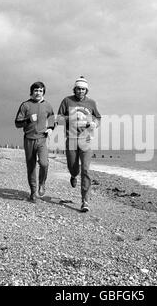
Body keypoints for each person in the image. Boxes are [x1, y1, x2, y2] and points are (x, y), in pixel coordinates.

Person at [58, 76, 101, 212]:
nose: (80, 91)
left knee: (86, 170)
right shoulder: (67, 101)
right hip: (71, 139)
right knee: (73, 167)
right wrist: (70, 117)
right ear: (74, 89)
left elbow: (98, 117)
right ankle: (73, 175)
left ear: (86, 90)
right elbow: (58, 118)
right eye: (78, 88)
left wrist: (95, 123)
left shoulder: (91, 103)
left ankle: (85, 201)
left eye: (83, 89)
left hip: (86, 139)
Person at [15, 81, 55, 202]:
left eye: (41, 91)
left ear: (43, 92)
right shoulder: (25, 105)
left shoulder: (47, 105)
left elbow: (52, 118)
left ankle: (42, 183)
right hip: (29, 139)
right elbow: (17, 123)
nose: (38, 93)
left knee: (44, 163)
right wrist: (27, 120)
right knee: (31, 166)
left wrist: (51, 128)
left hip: (42, 139)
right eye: (36, 90)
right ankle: (33, 192)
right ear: (32, 92)